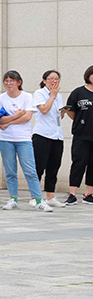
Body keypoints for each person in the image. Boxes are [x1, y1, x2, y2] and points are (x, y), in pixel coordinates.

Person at [0, 70, 51, 212]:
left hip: (23, 139)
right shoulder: (1, 99)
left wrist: (9, 122)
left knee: (30, 170)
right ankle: (13, 199)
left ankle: (38, 200)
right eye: (6, 81)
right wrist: (17, 115)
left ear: (19, 82)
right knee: (10, 171)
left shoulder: (27, 96)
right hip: (5, 139)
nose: (8, 83)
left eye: (12, 80)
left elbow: (27, 117)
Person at [32, 70, 66, 207]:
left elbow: (59, 116)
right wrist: (52, 95)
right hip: (42, 135)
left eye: (57, 79)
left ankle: (50, 197)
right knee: (39, 167)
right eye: (51, 78)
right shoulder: (39, 93)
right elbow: (44, 110)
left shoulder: (59, 96)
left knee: (54, 167)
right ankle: (35, 196)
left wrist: (63, 111)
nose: (54, 81)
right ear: (44, 80)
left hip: (57, 135)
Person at [62, 65, 93, 206]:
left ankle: (89, 194)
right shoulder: (78, 92)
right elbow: (70, 110)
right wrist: (80, 121)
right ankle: (72, 194)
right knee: (78, 163)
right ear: (88, 76)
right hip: (81, 135)